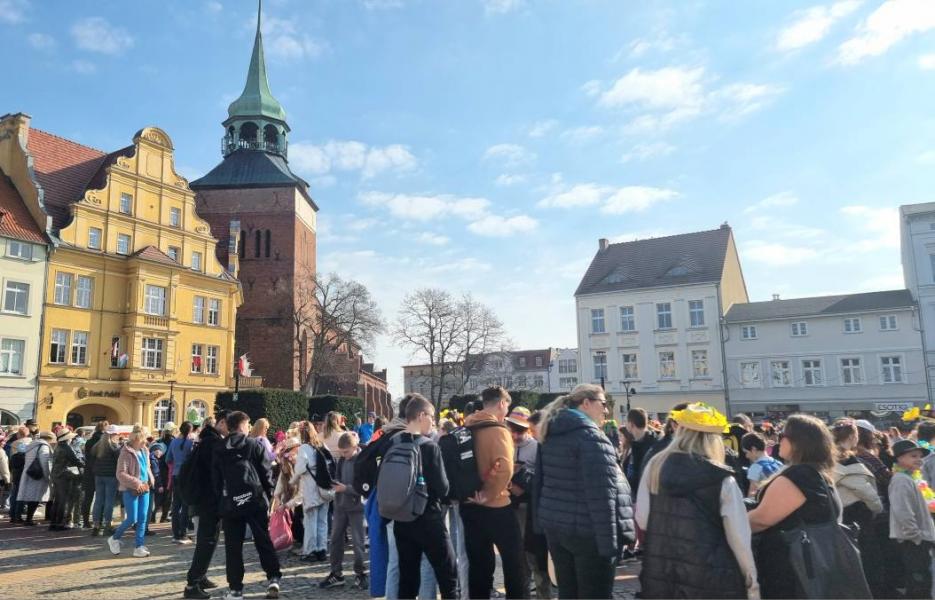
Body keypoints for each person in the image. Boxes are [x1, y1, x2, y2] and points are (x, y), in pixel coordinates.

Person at [637, 403, 758, 599]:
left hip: (662, 570)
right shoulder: (721, 478)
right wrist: (751, 581)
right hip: (711, 574)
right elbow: (739, 538)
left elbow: (643, 519)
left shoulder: (655, 466)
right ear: (713, 439)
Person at [537, 385, 636, 599]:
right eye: (603, 403)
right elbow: (603, 496)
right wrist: (610, 548)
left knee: (568, 593)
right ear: (586, 403)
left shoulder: (550, 434)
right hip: (589, 535)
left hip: (559, 529)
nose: (606, 410)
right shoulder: (591, 438)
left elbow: (541, 484)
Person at [748, 414, 838, 599]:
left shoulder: (799, 476)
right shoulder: (815, 473)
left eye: (783, 435)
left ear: (799, 442)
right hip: (809, 567)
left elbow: (760, 520)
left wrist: (728, 519)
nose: (778, 440)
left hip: (791, 569)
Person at [390, 394, 458, 599]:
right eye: (431, 416)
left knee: (407, 580)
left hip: (401, 520)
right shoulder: (429, 446)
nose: (433, 421)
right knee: (448, 576)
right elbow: (442, 488)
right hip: (428, 518)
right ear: (421, 416)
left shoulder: (393, 442)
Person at [460, 386, 524, 600]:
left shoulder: (467, 426)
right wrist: (489, 494)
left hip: (469, 503)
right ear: (502, 404)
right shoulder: (498, 430)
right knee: (514, 562)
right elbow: (504, 467)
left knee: (478, 565)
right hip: (496, 505)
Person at [213, 411, 282, 600]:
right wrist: (268, 495)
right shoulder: (253, 444)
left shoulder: (219, 448)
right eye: (248, 424)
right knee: (263, 540)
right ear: (242, 425)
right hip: (255, 500)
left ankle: (235, 589)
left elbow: (215, 479)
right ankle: (273, 578)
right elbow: (266, 473)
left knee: (233, 547)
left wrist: (221, 501)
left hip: (231, 503)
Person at [506, 406, 552, 600]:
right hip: (511, 510)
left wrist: (523, 484)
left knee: (536, 560)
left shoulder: (537, 447)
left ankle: (543, 596)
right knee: (518, 561)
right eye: (513, 430)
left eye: (521, 430)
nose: (516, 435)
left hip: (532, 512)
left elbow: (543, 481)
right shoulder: (506, 444)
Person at [183, 412, 229, 600]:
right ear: (222, 422)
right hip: (208, 500)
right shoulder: (212, 442)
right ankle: (192, 584)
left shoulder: (209, 439)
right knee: (207, 541)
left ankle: (200, 577)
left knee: (209, 540)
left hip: (207, 499)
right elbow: (214, 474)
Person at [320, 431, 368, 590]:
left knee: (358, 542)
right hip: (341, 506)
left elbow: (364, 488)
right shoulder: (342, 460)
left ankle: (361, 574)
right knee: (335, 540)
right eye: (341, 452)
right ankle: (336, 573)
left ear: (355, 447)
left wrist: (345, 488)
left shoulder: (362, 461)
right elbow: (339, 477)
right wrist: (333, 484)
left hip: (357, 508)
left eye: (346, 452)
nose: (343, 455)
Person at [888, 438, 935, 598]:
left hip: (919, 537)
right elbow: (903, 512)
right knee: (918, 582)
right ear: (899, 459)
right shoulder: (901, 480)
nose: (919, 459)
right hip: (912, 540)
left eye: (920, 456)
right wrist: (916, 536)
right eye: (913, 456)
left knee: (923, 580)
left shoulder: (912, 478)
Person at [107, 428, 154, 558]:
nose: (145, 442)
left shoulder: (144, 450)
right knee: (132, 518)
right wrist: (137, 483)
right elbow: (120, 473)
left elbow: (147, 467)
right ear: (136, 439)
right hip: (131, 489)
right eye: (143, 439)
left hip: (145, 488)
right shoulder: (125, 452)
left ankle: (139, 546)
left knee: (143, 517)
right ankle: (114, 538)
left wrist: (150, 479)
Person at [831, 419, 882, 531]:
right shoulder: (846, 459)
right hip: (855, 512)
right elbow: (860, 487)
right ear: (851, 436)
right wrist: (877, 506)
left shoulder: (828, 456)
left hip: (837, 510)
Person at [294, 421, 333, 562]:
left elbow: (299, 469)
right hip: (324, 488)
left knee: (311, 522)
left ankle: (311, 550)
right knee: (323, 521)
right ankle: (322, 549)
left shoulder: (304, 448)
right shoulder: (322, 445)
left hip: (311, 489)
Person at [49, 429, 85, 530]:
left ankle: (53, 523)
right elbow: (76, 460)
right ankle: (60, 523)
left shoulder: (58, 446)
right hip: (63, 475)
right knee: (63, 501)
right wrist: (85, 465)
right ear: (67, 438)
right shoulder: (66, 447)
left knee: (57, 500)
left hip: (55, 474)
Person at [168, 421, 197, 544]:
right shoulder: (191, 443)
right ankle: (183, 534)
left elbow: (168, 458)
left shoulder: (173, 442)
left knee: (176, 505)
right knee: (185, 506)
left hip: (175, 474)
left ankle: (176, 534)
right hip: (187, 476)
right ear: (190, 431)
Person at [18, 431, 54, 526]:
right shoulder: (44, 447)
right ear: (49, 439)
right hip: (38, 475)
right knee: (35, 498)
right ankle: (29, 520)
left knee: (32, 497)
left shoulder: (32, 445)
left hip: (30, 472)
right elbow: (44, 463)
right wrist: (48, 477)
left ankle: (28, 519)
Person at [91, 425, 121, 536]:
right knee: (109, 501)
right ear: (114, 434)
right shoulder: (115, 447)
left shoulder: (97, 446)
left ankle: (96, 525)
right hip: (111, 476)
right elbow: (118, 462)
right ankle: (108, 525)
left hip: (98, 476)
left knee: (98, 500)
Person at [622, 408, 657, 494]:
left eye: (626, 422)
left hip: (646, 496)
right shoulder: (634, 444)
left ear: (631, 424)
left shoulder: (653, 445)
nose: (625, 424)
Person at [80, 421, 107, 528]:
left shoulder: (89, 441)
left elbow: (86, 456)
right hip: (101, 471)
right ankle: (99, 520)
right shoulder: (105, 442)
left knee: (88, 498)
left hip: (89, 471)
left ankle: (86, 521)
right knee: (101, 498)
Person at [741, 433, 782, 498]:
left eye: (746, 452)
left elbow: (752, 494)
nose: (746, 456)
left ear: (753, 449)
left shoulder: (755, 467)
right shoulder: (778, 463)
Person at [148, 442, 166, 526]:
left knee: (153, 503)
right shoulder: (153, 460)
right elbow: (156, 473)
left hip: (151, 484)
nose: (160, 453)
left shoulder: (153, 458)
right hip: (154, 484)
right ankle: (150, 519)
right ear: (154, 451)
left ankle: (151, 518)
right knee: (155, 502)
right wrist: (160, 485)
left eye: (161, 451)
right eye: (158, 451)